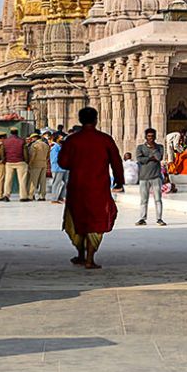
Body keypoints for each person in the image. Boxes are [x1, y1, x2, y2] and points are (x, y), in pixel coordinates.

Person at [55, 107, 123, 268]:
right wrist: (119, 180)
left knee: (77, 219)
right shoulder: (105, 139)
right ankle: (89, 259)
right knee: (96, 221)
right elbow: (116, 162)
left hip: (77, 187)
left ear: (80, 120)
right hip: (98, 187)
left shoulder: (72, 140)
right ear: (96, 120)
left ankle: (80, 254)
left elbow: (63, 163)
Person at [133, 128, 167, 225]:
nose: (150, 138)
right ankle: (142, 218)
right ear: (145, 137)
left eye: (152, 136)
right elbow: (140, 159)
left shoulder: (159, 147)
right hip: (144, 177)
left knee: (158, 199)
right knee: (144, 199)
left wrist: (153, 149)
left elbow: (159, 158)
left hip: (156, 177)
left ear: (155, 137)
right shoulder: (140, 147)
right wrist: (150, 158)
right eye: (148, 136)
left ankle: (159, 218)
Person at [0, 129, 25, 201]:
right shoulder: (1, 144)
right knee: (2, 180)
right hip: (5, 163)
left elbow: (0, 154)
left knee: (1, 180)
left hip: (2, 163)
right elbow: (0, 155)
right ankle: (0, 195)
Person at [23, 129, 52, 201]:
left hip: (35, 164)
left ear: (35, 138)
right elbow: (48, 155)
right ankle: (42, 196)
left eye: (32, 138)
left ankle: (30, 195)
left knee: (33, 180)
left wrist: (30, 163)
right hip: (44, 164)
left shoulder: (34, 145)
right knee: (43, 181)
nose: (31, 139)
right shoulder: (46, 145)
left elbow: (33, 155)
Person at [45, 131, 68, 202]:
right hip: (57, 168)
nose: (62, 138)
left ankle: (61, 196)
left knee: (66, 183)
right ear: (57, 138)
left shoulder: (60, 146)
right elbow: (54, 159)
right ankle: (54, 199)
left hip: (64, 168)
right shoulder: (55, 147)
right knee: (56, 183)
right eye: (60, 137)